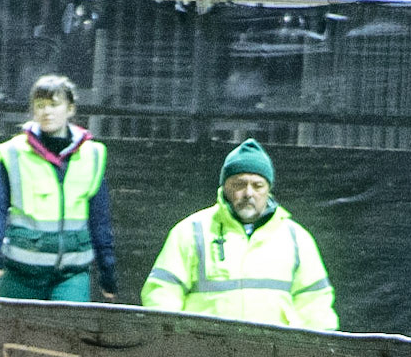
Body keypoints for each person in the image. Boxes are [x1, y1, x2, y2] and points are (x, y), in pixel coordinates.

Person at [141, 138, 338, 331]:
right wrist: (174, 344)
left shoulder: (297, 238)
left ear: (269, 189)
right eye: (239, 184)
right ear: (225, 187)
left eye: (257, 185)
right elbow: (162, 295)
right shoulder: (190, 231)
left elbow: (316, 306)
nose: (248, 193)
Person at [0, 74, 117, 302]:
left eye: (54, 104)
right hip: (20, 273)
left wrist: (107, 269)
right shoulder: (14, 152)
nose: (46, 112)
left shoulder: (93, 155)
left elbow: (99, 219)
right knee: (18, 337)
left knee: (66, 334)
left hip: (72, 273)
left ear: (70, 109)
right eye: (40, 105)